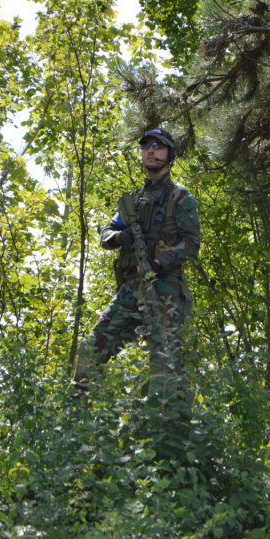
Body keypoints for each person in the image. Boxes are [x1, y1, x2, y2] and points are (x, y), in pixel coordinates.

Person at [73, 128, 200, 401]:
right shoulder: (133, 199)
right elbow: (106, 234)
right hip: (132, 289)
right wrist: (122, 236)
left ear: (169, 155)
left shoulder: (180, 197)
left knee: (165, 364)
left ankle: (169, 420)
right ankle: (77, 413)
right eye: (146, 147)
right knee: (92, 350)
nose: (150, 151)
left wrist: (158, 263)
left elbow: (191, 244)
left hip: (166, 290)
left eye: (158, 146)